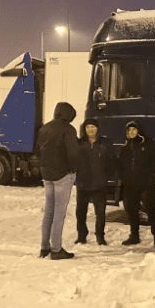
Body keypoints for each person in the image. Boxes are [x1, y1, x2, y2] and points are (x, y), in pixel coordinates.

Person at [36, 102, 79, 260]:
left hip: (47, 176)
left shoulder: (44, 128)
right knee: (59, 214)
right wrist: (74, 169)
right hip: (62, 176)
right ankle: (56, 249)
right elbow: (73, 154)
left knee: (48, 212)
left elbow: (37, 151)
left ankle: (44, 247)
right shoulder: (68, 130)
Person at [118, 120, 155, 248]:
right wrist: (122, 177)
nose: (131, 132)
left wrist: (150, 176)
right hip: (130, 185)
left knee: (150, 211)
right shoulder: (125, 148)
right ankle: (134, 236)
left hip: (146, 185)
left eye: (134, 130)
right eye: (129, 130)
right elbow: (120, 165)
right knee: (131, 211)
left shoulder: (149, 144)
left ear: (139, 131)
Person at [74, 118, 117, 246]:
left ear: (97, 128)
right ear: (84, 129)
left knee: (100, 213)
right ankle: (81, 236)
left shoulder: (105, 143)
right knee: (81, 212)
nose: (90, 130)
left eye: (93, 127)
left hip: (99, 184)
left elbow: (112, 161)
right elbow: (73, 160)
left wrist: (109, 177)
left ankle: (100, 236)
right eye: (88, 127)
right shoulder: (79, 143)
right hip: (83, 183)